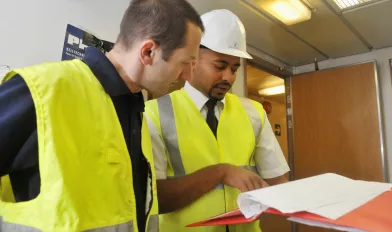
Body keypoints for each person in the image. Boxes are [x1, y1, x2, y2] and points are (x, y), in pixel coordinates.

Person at [0, 0, 203, 231]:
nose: (188, 76)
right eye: (186, 63)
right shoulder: (44, 90)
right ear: (148, 52)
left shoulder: (134, 108)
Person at [144, 9, 290, 232]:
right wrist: (220, 173)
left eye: (234, 68)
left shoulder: (254, 113)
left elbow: (278, 181)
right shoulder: (153, 114)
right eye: (220, 66)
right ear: (193, 59)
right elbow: (154, 199)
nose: (229, 78)